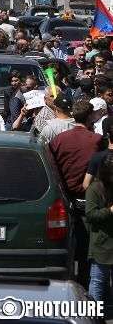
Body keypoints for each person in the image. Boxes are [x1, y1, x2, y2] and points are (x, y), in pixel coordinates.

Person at [50, 100, 104, 286]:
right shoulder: (96, 140)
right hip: (86, 199)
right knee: (86, 247)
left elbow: (53, 166)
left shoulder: (59, 139)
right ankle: (83, 282)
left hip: (63, 198)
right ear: (89, 117)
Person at [85, 154, 113, 306]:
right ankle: (94, 315)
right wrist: (109, 211)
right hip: (102, 244)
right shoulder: (95, 189)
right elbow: (90, 214)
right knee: (97, 281)